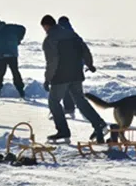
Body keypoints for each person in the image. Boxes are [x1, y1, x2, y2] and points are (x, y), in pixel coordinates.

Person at [41, 14, 107, 143]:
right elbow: (85, 50)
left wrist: (48, 79)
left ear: (46, 26)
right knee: (80, 101)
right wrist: (89, 64)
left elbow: (52, 62)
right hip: (76, 74)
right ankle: (99, 123)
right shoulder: (72, 34)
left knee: (54, 102)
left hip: (61, 76)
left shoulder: (50, 39)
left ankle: (63, 131)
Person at [0, 15, 27, 99]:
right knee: (2, 74)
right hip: (3, 56)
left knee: (9, 73)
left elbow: (23, 29)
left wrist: (18, 40)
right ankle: (19, 91)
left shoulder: (9, 28)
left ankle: (20, 91)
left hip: (9, 55)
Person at [54, 16, 79, 119]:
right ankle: (71, 108)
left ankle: (67, 109)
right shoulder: (74, 34)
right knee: (73, 90)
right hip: (76, 67)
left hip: (64, 67)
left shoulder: (59, 35)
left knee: (63, 89)